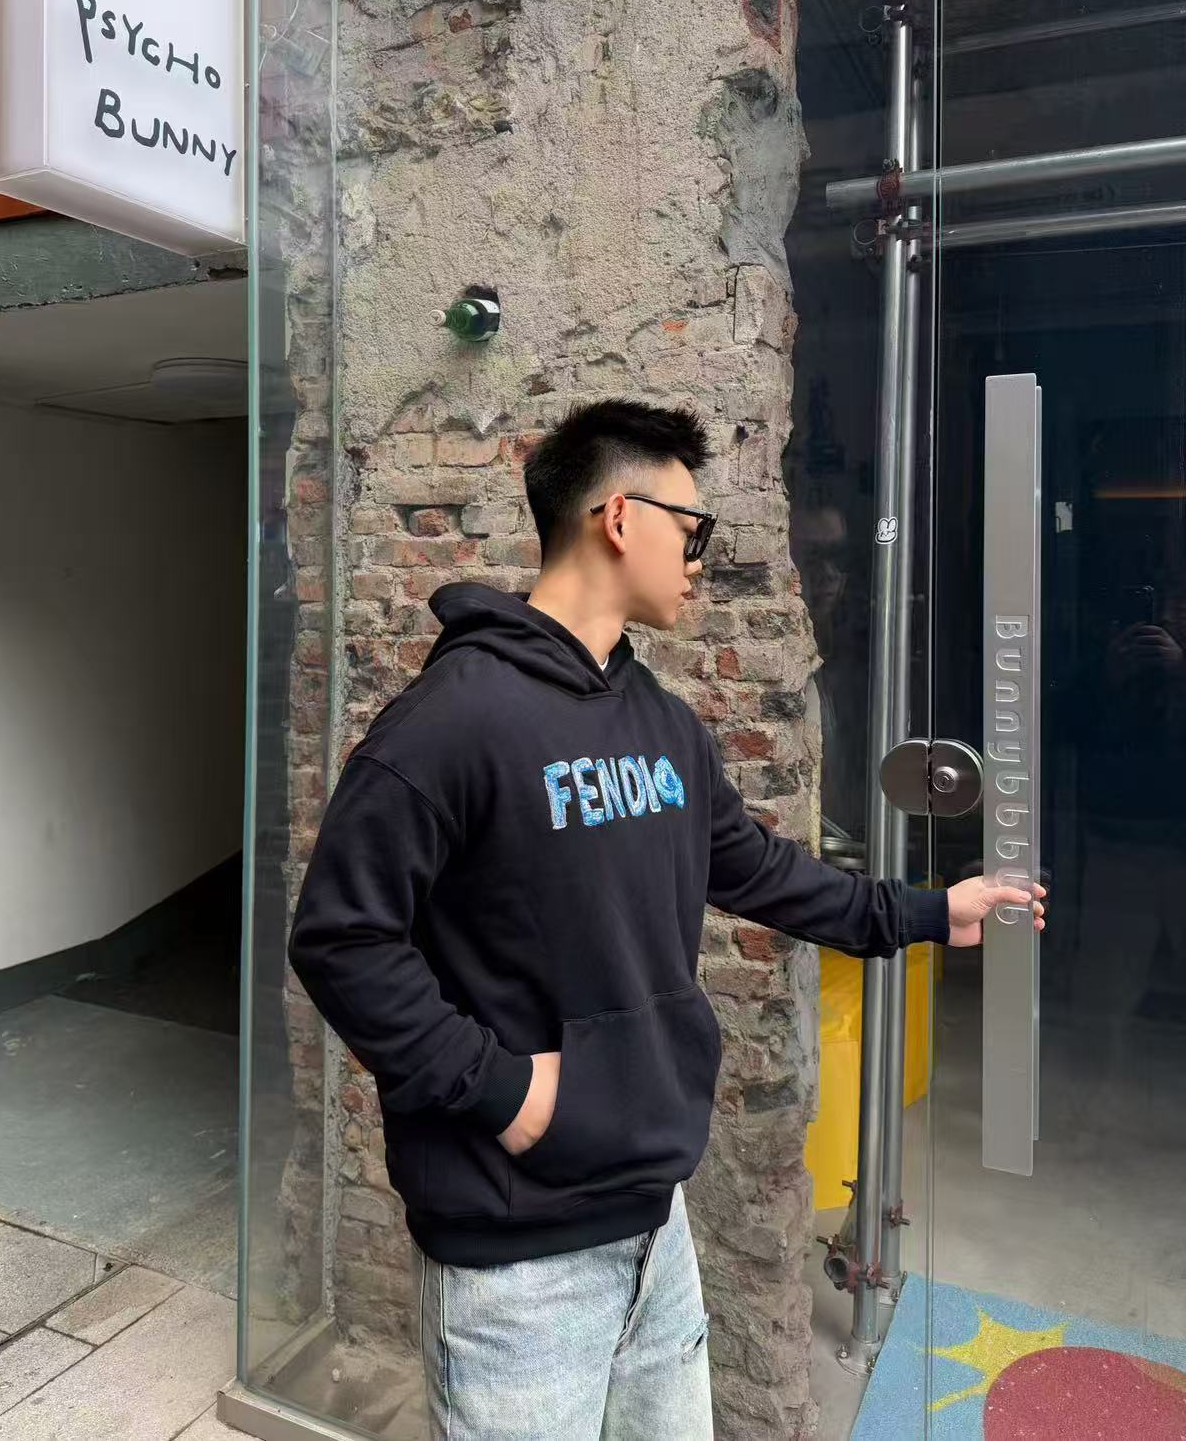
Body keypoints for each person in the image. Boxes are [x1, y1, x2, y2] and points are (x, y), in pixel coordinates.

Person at [288, 398, 1046, 1441]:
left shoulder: (664, 727)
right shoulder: (449, 721)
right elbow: (340, 937)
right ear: (618, 517)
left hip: (656, 1224)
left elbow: (760, 872)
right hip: (513, 1261)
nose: (700, 558)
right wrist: (501, 1089)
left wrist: (925, 912)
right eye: (692, 528)